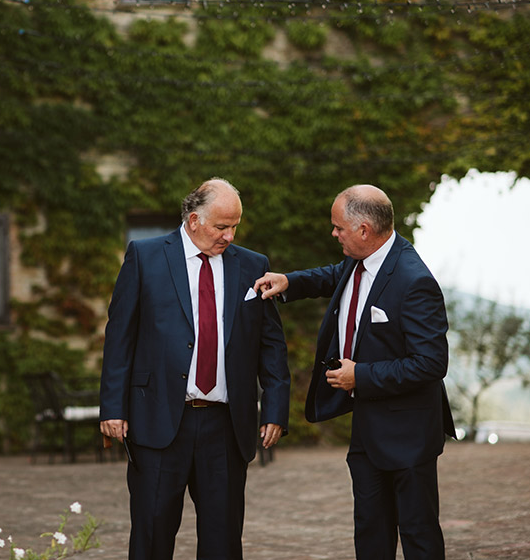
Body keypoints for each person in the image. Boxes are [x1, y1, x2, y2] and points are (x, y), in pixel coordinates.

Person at [255, 184, 455, 560]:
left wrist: (359, 376)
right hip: (367, 431)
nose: (333, 234)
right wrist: (289, 282)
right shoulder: (358, 260)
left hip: (409, 436)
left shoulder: (415, 281)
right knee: (370, 534)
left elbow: (431, 363)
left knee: (418, 536)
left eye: (338, 228)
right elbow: (332, 276)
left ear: (364, 230)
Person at [99, 177, 290, 560]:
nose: (229, 236)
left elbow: (271, 345)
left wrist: (275, 408)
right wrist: (113, 408)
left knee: (223, 542)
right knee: (152, 537)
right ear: (193, 220)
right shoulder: (145, 256)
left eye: (235, 226)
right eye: (221, 227)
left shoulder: (254, 266)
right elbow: (120, 337)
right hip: (157, 422)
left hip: (225, 426)